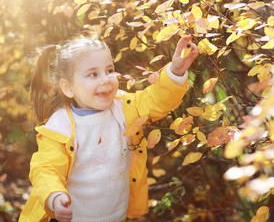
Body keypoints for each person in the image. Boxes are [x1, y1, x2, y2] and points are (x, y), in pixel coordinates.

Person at [19, 34, 198, 222]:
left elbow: (155, 102)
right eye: (93, 74)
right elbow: (46, 169)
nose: (105, 79)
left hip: (115, 216)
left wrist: (175, 73)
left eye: (109, 70)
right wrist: (55, 196)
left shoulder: (123, 107)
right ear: (68, 87)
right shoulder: (61, 126)